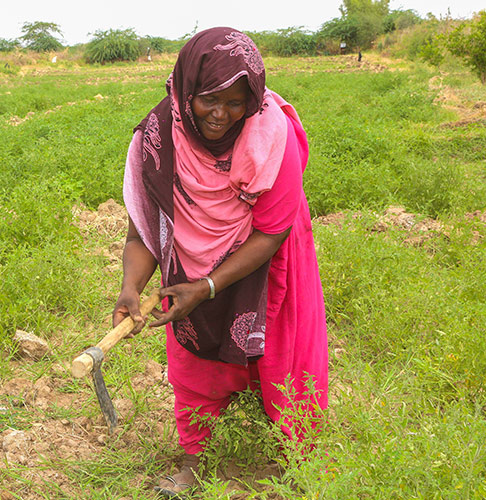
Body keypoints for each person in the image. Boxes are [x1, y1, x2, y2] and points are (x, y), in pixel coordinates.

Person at [113, 27, 328, 497]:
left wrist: (207, 287)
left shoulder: (273, 137)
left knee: (282, 354)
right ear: (186, 89)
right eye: (209, 98)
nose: (222, 114)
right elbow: (144, 229)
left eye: (236, 103)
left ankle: (297, 459)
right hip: (190, 265)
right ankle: (195, 459)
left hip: (270, 259)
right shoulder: (157, 139)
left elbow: (272, 231)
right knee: (193, 362)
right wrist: (130, 288)